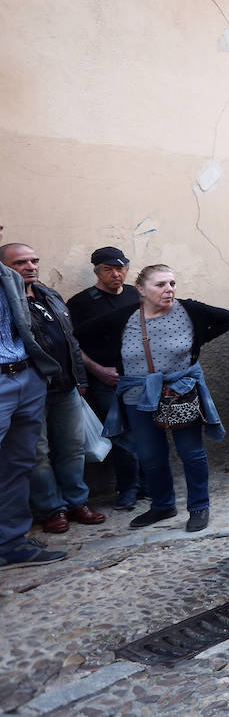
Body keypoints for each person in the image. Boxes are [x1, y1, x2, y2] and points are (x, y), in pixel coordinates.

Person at [79, 264, 229, 531]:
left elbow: (228, 318)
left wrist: (199, 340)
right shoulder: (124, 317)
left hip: (180, 392)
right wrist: (105, 365)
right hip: (137, 396)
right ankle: (162, 506)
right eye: (160, 285)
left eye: (172, 283)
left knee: (191, 453)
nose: (169, 290)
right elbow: (78, 335)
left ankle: (198, 506)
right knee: (150, 455)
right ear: (140, 289)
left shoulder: (190, 310)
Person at [0, 244, 105, 533]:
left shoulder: (49, 294)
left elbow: (70, 339)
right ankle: (51, 509)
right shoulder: (6, 301)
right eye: (20, 262)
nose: (31, 266)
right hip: (29, 388)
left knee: (73, 448)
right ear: (4, 267)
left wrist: (80, 378)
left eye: (34, 260)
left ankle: (76, 503)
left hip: (66, 385)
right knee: (37, 453)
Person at [0, 243, 66, 569]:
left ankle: (11, 544)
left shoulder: (9, 279)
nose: (30, 266)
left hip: (26, 376)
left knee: (17, 465)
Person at [65, 247, 143, 510]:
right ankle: (127, 489)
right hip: (106, 379)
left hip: (140, 377)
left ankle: (148, 485)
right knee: (121, 434)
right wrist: (98, 370)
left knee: (147, 430)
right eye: (108, 269)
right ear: (97, 271)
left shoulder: (135, 294)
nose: (116, 274)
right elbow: (72, 344)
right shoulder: (80, 303)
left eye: (120, 268)